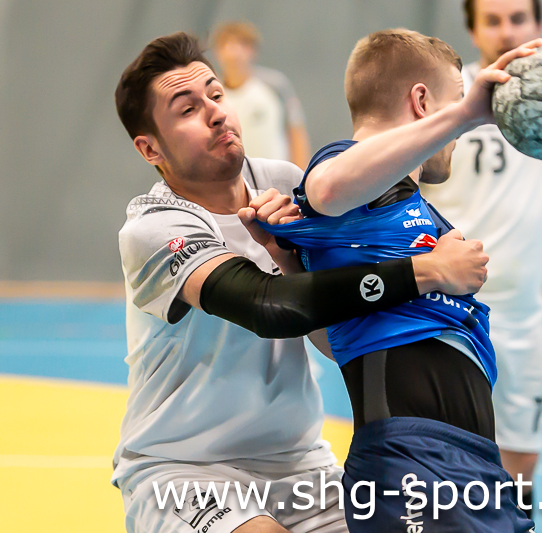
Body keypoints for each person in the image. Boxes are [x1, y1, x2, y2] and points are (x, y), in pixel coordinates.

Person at [112, 32, 491, 533]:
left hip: (300, 465)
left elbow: (333, 336)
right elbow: (268, 307)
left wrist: (288, 259)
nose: (216, 113)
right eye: (187, 109)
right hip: (185, 469)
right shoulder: (155, 228)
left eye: (216, 95)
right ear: (149, 148)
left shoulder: (285, 182)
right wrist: (426, 272)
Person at [265, 29, 542, 533]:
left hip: (470, 462)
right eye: (457, 104)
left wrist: (292, 266)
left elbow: (338, 339)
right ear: (422, 101)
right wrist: (464, 114)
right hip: (411, 460)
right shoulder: (344, 172)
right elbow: (327, 187)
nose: (460, 131)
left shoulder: (413, 213)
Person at [421, 0, 542, 517]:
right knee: (441, 473)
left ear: (538, 24)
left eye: (518, 18)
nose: (507, 31)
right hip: (444, 313)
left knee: (519, 470)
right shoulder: (444, 99)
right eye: (493, 20)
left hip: (523, 320)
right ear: (473, 29)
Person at [213, 21, 311, 168]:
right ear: (217, 52)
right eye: (226, 45)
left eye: (241, 45)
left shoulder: (275, 86)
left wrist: (301, 175)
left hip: (277, 176)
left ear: (253, 50)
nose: (234, 53)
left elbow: (296, 131)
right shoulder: (212, 95)